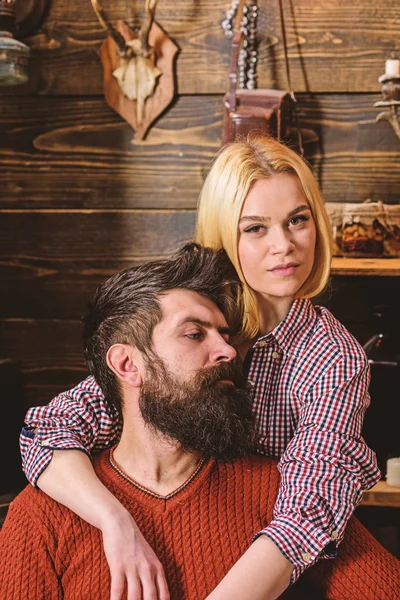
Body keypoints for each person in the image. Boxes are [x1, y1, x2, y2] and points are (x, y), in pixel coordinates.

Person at [19, 136, 381, 600]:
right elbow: (50, 430)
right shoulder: (183, 317)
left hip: (262, 560)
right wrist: (116, 523)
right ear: (223, 232)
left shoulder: (332, 356)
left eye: (297, 220)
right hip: (161, 514)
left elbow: (305, 515)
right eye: (255, 228)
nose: (284, 246)